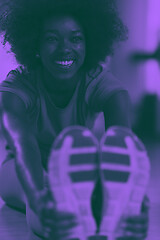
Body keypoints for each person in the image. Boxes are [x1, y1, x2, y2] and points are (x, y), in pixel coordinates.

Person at [0, 0, 149, 239]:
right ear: (35, 43)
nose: (65, 48)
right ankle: (63, 225)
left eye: (76, 38)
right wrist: (40, 199)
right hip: (22, 169)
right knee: (44, 192)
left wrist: (133, 198)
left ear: (89, 43)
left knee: (97, 190)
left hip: (77, 168)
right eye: (51, 38)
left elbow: (123, 152)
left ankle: (101, 222)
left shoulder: (101, 84)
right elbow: (23, 145)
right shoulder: (16, 86)